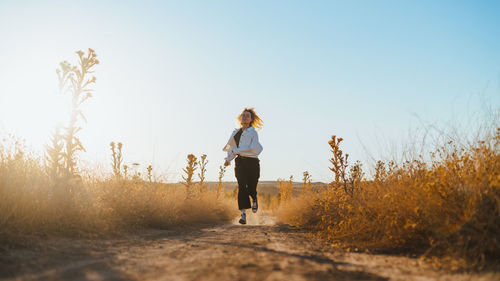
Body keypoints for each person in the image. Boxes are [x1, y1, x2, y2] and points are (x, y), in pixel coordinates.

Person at [223, 108, 263, 224]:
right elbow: (231, 148)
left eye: (247, 116)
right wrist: (228, 159)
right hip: (240, 162)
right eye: (243, 115)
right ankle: (243, 215)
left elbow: (252, 148)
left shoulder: (253, 133)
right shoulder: (236, 132)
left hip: (252, 163)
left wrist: (236, 150)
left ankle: (254, 199)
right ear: (240, 118)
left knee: (251, 187)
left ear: (251, 119)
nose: (245, 117)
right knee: (241, 186)